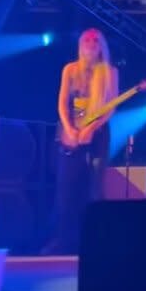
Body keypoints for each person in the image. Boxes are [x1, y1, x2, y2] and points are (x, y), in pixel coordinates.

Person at [44, 28, 118, 253]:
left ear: (101, 46)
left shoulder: (110, 72)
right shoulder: (70, 70)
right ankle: (62, 240)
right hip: (69, 133)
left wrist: (91, 129)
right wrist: (69, 129)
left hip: (97, 133)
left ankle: (97, 242)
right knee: (65, 189)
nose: (91, 43)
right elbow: (61, 104)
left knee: (95, 188)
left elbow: (110, 109)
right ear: (80, 44)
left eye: (96, 40)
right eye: (87, 39)